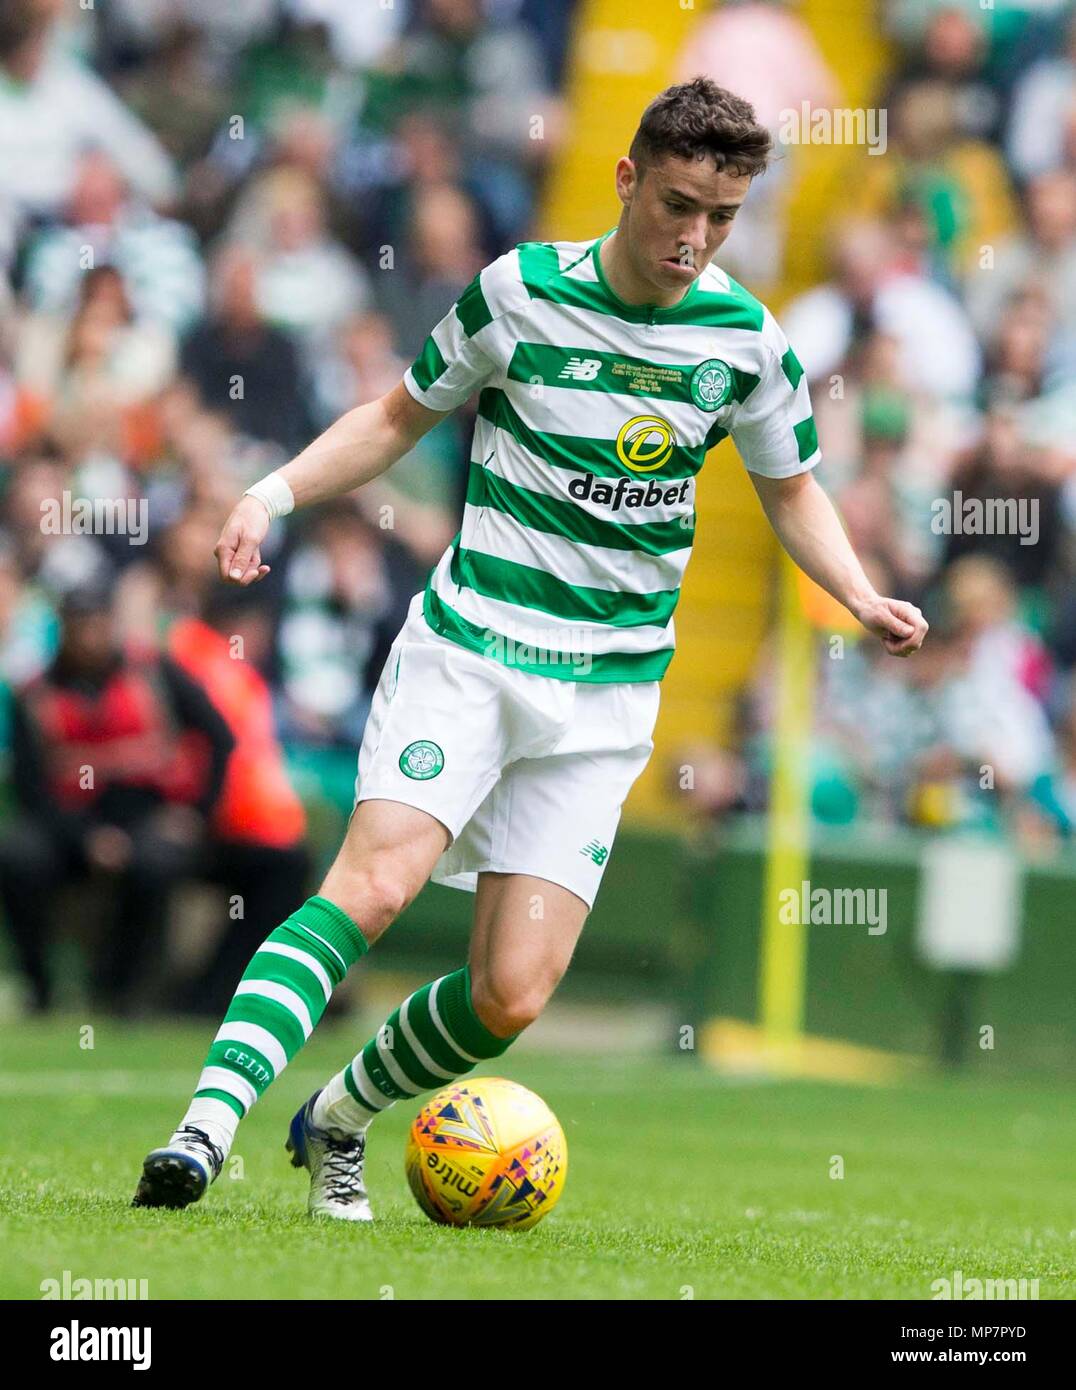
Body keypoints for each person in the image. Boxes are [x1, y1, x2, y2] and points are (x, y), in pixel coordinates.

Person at [133, 79, 928, 1219]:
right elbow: (395, 419)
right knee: (374, 883)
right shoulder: (518, 294)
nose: (692, 236)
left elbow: (791, 490)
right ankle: (203, 1130)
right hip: (473, 648)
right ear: (624, 178)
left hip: (606, 696)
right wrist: (271, 493)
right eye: (675, 204)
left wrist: (857, 591)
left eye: (720, 215)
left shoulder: (746, 344)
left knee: (510, 994)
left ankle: (340, 1119)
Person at [0, 578, 233, 1013]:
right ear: (63, 629)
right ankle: (40, 988)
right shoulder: (34, 694)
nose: (89, 635)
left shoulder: (155, 674)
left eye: (96, 623)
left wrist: (197, 813)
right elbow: (31, 789)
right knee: (17, 857)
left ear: (111, 625)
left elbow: (220, 738)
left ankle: (123, 993)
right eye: (78, 625)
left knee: (154, 864)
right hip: (70, 826)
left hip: (150, 816)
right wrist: (88, 838)